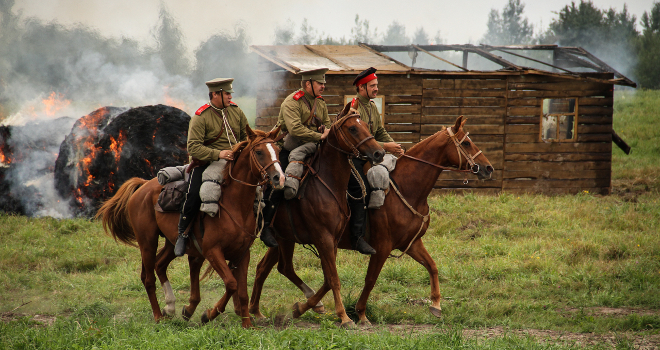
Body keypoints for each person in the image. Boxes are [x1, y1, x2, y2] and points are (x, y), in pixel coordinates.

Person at [174, 78, 248, 257]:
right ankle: (182, 233)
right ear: (215, 94)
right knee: (192, 195)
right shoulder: (201, 116)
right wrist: (218, 154)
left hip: (235, 161)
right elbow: (193, 147)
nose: (231, 96)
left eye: (230, 93)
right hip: (207, 162)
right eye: (227, 93)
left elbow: (246, 135)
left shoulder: (236, 111)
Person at [259, 68, 332, 248]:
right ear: (308, 84)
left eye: (323, 83)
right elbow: (295, 130)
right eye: (319, 83)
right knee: (277, 183)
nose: (323, 86)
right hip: (288, 147)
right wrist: (320, 136)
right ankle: (266, 227)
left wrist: (326, 131)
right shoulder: (292, 102)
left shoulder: (320, 103)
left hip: (312, 148)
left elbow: (328, 124)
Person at [348, 67, 404, 255]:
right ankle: (357, 236)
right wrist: (385, 147)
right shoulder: (353, 108)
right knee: (362, 188)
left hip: (372, 155)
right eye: (372, 85)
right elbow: (358, 141)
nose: (376, 88)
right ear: (361, 88)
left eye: (376, 85)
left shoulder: (371, 106)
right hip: (354, 157)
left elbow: (378, 132)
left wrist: (392, 144)